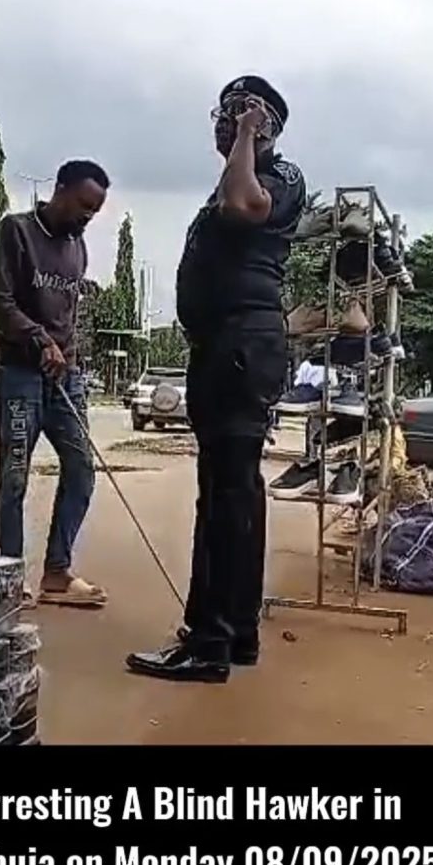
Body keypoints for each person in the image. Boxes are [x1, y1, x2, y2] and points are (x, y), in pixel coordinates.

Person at [126, 75, 305, 682]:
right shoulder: (241, 173)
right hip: (225, 346)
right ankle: (235, 634)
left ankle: (209, 643)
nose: (224, 124)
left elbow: (241, 208)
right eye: (223, 114)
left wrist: (249, 135)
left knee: (226, 497)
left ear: (265, 125)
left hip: (240, 346)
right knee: (233, 494)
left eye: (238, 114)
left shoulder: (279, 176)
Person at [0, 159, 110, 609]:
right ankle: (10, 575)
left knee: (81, 469)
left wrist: (68, 358)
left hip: (64, 378)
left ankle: (57, 572)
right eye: (83, 205)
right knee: (14, 476)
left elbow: (69, 317)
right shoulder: (17, 231)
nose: (87, 216)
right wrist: (39, 339)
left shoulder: (78, 247)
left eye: (95, 210)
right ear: (59, 190)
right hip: (19, 373)